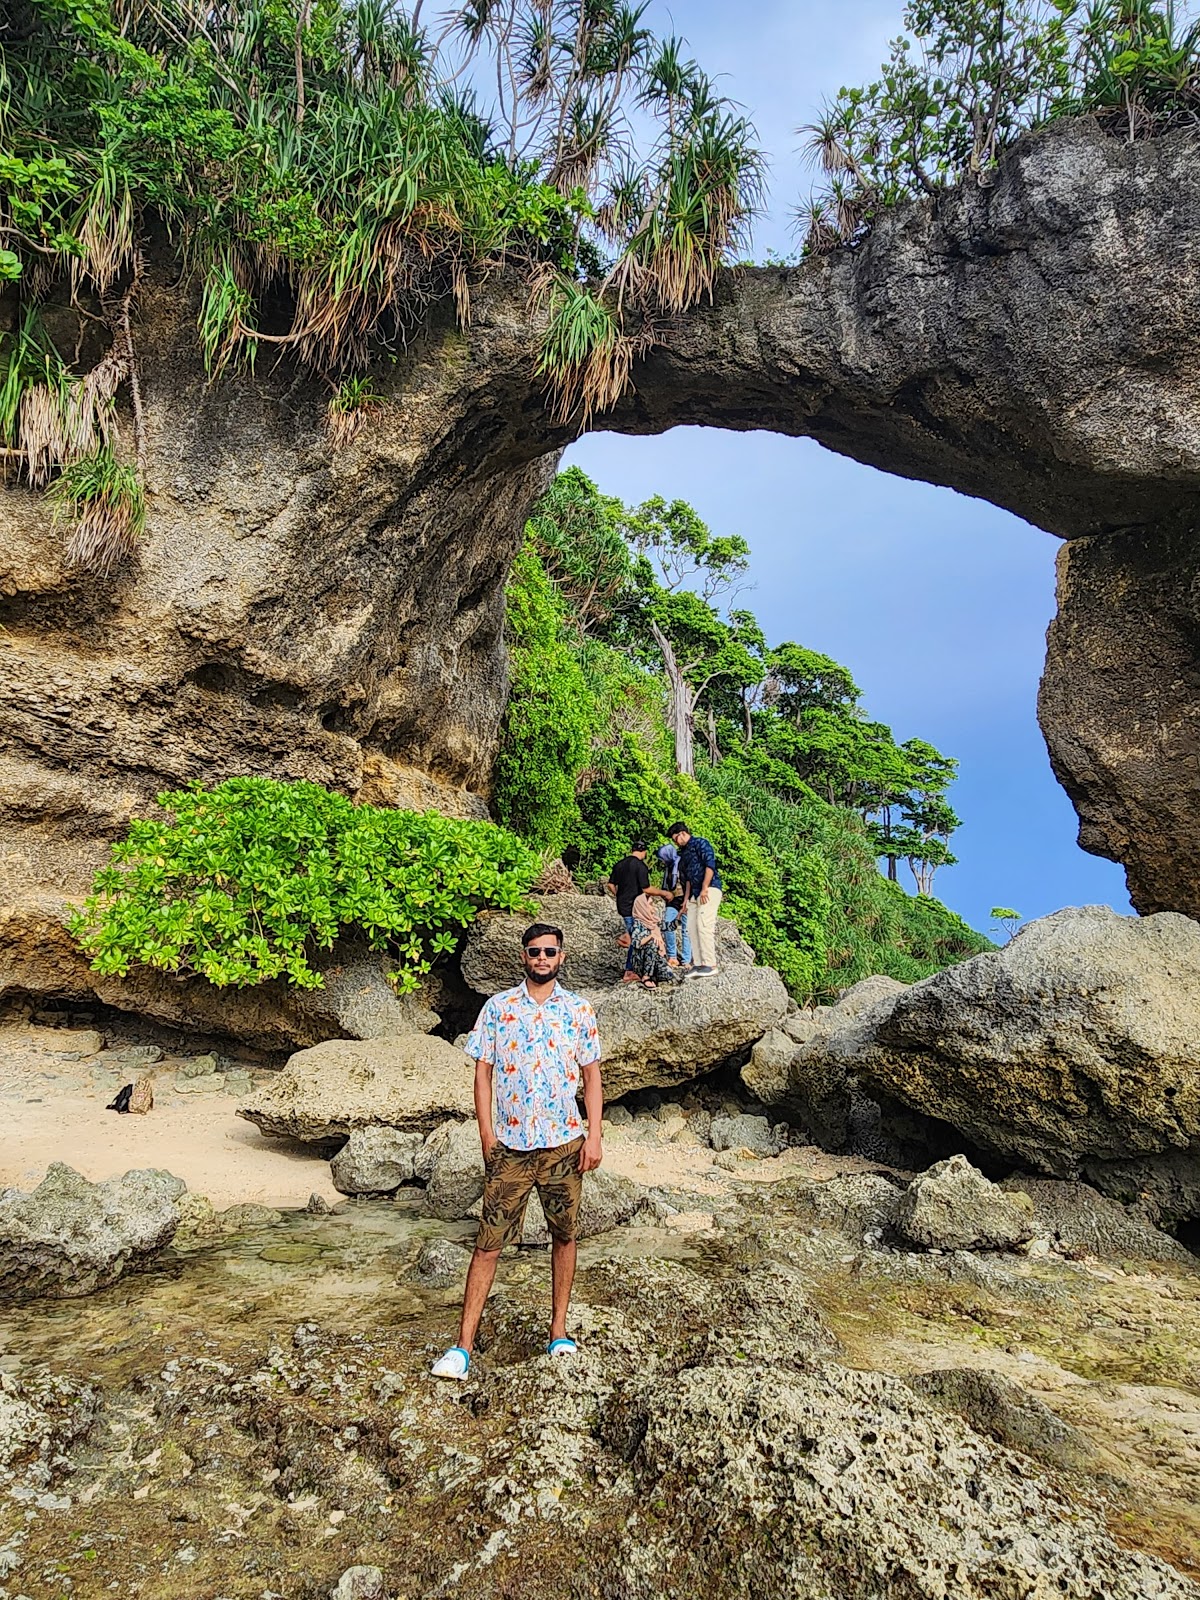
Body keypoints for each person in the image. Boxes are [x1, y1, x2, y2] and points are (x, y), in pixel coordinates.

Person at [431, 923, 603, 1380]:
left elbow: (591, 1077)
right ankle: (462, 1346)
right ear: (523, 956)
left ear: (562, 957)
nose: (542, 958)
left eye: (550, 951)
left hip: (564, 1142)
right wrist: (486, 1135)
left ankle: (559, 1332)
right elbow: (482, 1074)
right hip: (510, 1145)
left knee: (564, 1235)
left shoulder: (579, 1010)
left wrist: (595, 1135)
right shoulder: (498, 1008)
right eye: (534, 951)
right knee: (488, 1243)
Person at [666, 822, 723, 977]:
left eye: (676, 838)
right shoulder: (683, 854)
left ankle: (710, 963)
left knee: (703, 924)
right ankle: (698, 963)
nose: (676, 842)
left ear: (683, 833)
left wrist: (705, 887)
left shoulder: (701, 843)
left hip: (709, 888)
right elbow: (688, 879)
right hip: (693, 893)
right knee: (691, 927)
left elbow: (710, 865)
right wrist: (686, 900)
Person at [606, 840, 654, 981]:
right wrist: (664, 893)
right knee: (636, 938)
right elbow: (646, 889)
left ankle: (625, 938)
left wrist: (618, 894)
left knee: (633, 933)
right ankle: (629, 970)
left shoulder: (620, 864)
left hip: (623, 906)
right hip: (636, 908)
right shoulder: (641, 866)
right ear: (644, 851)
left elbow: (610, 884)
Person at [655, 842, 692, 969]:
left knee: (686, 931)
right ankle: (672, 956)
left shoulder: (683, 864)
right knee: (668, 925)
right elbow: (666, 885)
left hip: (686, 900)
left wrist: (687, 901)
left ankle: (686, 960)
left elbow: (689, 882)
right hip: (672, 901)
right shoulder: (669, 867)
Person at [627, 891, 675, 988]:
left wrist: (681, 916)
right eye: (650, 904)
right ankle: (646, 977)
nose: (653, 907)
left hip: (656, 960)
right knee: (652, 943)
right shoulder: (638, 924)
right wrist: (651, 936)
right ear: (643, 907)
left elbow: (669, 927)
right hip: (641, 962)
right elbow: (636, 942)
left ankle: (657, 975)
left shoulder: (654, 921)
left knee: (667, 976)